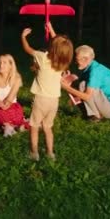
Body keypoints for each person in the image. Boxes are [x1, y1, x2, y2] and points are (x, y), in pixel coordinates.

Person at [21, 22, 74, 161]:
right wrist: (51, 29)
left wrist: (23, 37)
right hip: (54, 101)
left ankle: (34, 153)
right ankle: (50, 153)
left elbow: (27, 49)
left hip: (41, 100)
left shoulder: (42, 57)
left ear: (52, 47)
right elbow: (60, 46)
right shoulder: (63, 62)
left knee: (34, 126)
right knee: (47, 127)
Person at [61, 44, 110, 122]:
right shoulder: (90, 68)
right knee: (77, 84)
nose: (75, 62)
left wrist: (66, 87)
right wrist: (68, 82)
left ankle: (96, 116)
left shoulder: (95, 72)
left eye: (77, 59)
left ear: (85, 59)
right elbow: (76, 86)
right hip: (104, 104)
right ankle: (90, 115)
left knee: (82, 85)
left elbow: (87, 96)